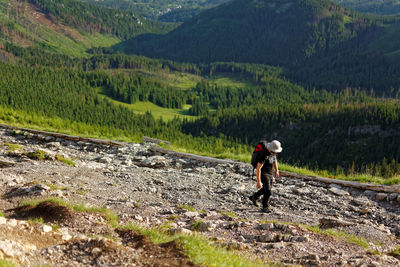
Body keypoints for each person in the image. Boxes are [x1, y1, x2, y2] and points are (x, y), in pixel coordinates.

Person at [249, 140, 282, 213]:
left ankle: (254, 197)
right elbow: (258, 168)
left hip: (270, 172)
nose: (275, 153)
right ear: (270, 149)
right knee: (268, 191)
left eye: (276, 152)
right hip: (263, 173)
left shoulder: (273, 152)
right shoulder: (264, 154)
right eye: (274, 152)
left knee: (266, 188)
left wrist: (276, 170)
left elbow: (274, 160)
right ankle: (265, 206)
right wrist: (258, 182)